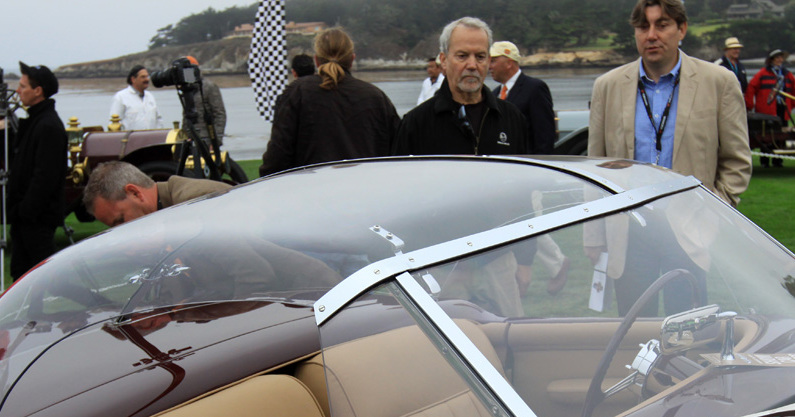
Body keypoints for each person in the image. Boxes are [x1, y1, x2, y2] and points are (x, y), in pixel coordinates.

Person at [586, 0, 751, 316]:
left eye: (662, 25)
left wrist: (713, 211)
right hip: (629, 229)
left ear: (682, 29)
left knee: (689, 334)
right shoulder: (607, 86)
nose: (651, 35)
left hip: (688, 227)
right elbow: (596, 167)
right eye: (643, 26)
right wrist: (593, 235)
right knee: (634, 333)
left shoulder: (718, 82)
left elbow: (737, 161)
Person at [393, 17, 533, 317]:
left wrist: (526, 259)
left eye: (480, 56)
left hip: (500, 255)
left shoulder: (511, 119)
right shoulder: (416, 124)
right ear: (443, 60)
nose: (472, 64)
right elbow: (399, 203)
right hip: (441, 261)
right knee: (449, 351)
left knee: (511, 343)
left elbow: (525, 193)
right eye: (462, 56)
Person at [260, 27, 400, 177]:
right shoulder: (376, 97)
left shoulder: (297, 92)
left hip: (311, 191)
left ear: (316, 60)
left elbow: (278, 154)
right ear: (352, 59)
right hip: (364, 190)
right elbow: (398, 152)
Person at [489, 40, 569, 295]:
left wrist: (538, 173)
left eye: (493, 60)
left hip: (528, 176)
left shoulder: (534, 89)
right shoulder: (493, 94)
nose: (488, 65)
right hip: (503, 180)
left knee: (530, 224)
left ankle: (556, 264)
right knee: (523, 224)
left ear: (509, 62)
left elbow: (545, 135)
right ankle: (552, 264)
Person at [7, 62, 68, 281]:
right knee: (23, 274)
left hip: (37, 218)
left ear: (38, 91)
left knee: (43, 276)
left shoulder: (48, 125)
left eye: (22, 86)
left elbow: (45, 176)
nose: (18, 91)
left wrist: (26, 210)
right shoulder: (36, 121)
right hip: (27, 216)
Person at [82, 161, 229, 227]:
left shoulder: (197, 203)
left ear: (135, 193)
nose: (121, 232)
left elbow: (247, 277)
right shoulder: (165, 218)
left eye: (121, 220)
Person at [181, 56, 227, 150]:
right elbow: (185, 116)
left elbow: (220, 114)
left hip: (207, 139)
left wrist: (216, 142)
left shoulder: (209, 87)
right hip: (190, 139)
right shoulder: (186, 89)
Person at [745, 49, 795, 124]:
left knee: (784, 132)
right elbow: (751, 87)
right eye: (777, 58)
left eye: (781, 58)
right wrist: (750, 105)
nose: (779, 60)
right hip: (767, 111)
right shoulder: (762, 73)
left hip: (783, 108)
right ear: (771, 60)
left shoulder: (787, 74)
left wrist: (790, 105)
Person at [109, 65, 162, 130]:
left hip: (152, 138)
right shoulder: (120, 97)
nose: (147, 79)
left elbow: (158, 120)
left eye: (147, 76)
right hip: (131, 139)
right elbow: (114, 124)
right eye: (143, 77)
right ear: (133, 79)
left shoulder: (150, 96)